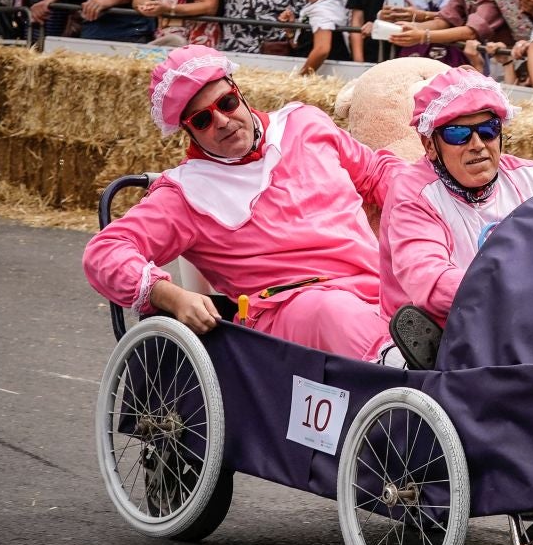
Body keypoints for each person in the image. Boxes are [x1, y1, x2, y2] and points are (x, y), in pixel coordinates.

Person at [81, 46, 402, 360]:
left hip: (376, 286)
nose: (222, 120)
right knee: (332, 311)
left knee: (434, 286)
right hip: (287, 316)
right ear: (187, 131)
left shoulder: (304, 124)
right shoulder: (185, 193)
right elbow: (105, 253)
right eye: (203, 119)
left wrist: (431, 203)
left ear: (239, 92)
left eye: (227, 102)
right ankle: (401, 370)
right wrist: (170, 296)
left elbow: (376, 172)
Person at [377, 68, 533, 333]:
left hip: (526, 319)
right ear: (430, 145)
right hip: (443, 330)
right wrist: (524, 293)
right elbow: (429, 281)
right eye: (457, 134)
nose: (477, 144)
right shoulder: (413, 193)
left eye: (488, 129)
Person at [289, 0, 349, 75]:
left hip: (329, 76)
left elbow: (322, 49)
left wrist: (300, 78)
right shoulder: (312, 6)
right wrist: (290, 30)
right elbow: (300, 46)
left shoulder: (325, 8)